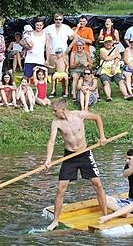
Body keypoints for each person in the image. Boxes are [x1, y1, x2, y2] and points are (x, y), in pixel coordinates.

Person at [44, 98, 107, 230]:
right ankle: (55, 220)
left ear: (63, 109)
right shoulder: (56, 123)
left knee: (98, 184)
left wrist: (102, 137)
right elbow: (51, 141)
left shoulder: (79, 115)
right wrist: (48, 160)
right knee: (61, 188)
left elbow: (97, 117)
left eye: (55, 111)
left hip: (85, 154)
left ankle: (105, 215)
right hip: (70, 156)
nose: (54, 113)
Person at [99, 36, 133, 101]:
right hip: (105, 70)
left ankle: (126, 95)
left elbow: (117, 59)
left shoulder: (116, 49)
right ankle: (108, 97)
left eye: (110, 42)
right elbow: (106, 58)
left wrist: (114, 66)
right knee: (106, 82)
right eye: (106, 42)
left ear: (112, 43)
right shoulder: (102, 50)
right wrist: (116, 55)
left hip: (115, 70)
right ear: (104, 44)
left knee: (121, 81)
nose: (108, 44)